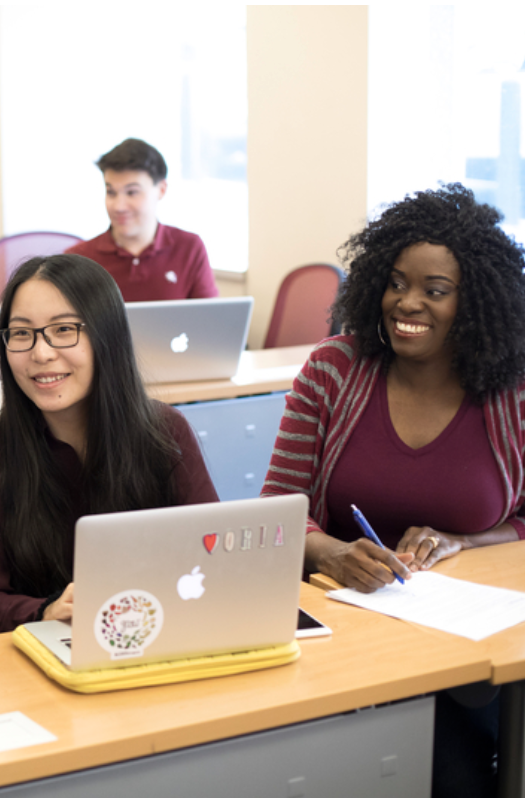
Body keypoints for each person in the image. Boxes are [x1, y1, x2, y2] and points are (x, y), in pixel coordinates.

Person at [261, 183, 525, 798]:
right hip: (342, 638)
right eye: (397, 282)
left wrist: (467, 539)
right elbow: (278, 510)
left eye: (435, 291)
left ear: (477, 301)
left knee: (460, 774)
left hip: (469, 642)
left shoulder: (512, 392)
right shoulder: (335, 368)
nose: (407, 303)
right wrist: (330, 552)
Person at [0, 254, 218, 637]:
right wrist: (45, 611)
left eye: (63, 330)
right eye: (22, 333)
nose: (41, 353)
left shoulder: (165, 432)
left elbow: (211, 555)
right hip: (32, 657)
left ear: (105, 336)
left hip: (150, 635)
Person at [65, 138, 218, 302]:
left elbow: (211, 321)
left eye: (132, 192)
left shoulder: (189, 248)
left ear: (161, 190)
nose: (119, 206)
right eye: (111, 192)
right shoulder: (78, 259)